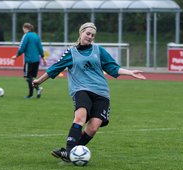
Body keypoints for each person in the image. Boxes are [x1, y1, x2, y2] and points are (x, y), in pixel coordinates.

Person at [32, 22, 146, 162]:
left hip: (101, 92)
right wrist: (39, 81)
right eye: (88, 34)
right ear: (81, 33)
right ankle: (68, 152)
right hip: (81, 89)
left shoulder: (98, 50)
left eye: (93, 35)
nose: (90, 37)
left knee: (93, 127)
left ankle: (73, 152)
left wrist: (130, 72)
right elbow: (54, 68)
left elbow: (113, 67)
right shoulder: (71, 52)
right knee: (80, 117)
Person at [11, 23, 47, 99]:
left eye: (23, 29)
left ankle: (32, 94)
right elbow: (40, 47)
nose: (23, 31)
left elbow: (22, 47)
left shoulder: (26, 36)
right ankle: (37, 89)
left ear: (25, 28)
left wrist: (16, 55)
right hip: (36, 60)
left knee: (27, 77)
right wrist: (43, 57)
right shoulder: (36, 36)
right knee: (30, 77)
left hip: (29, 60)